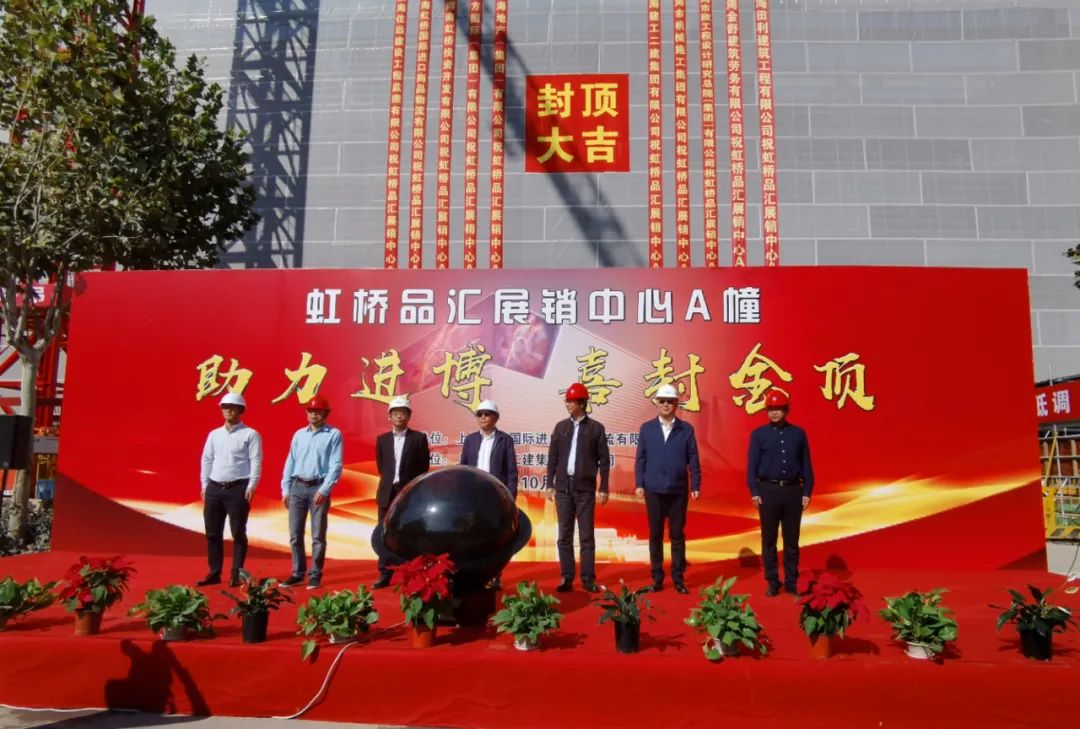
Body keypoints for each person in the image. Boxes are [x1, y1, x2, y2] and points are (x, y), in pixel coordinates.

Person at [634, 383, 701, 594]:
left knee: (677, 535)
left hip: (678, 490)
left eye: (670, 401)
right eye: (662, 401)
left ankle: (678, 578)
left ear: (676, 404)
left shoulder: (686, 429)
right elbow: (640, 458)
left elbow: (693, 458)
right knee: (655, 535)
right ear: (656, 403)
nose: (666, 405)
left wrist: (696, 484)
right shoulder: (647, 429)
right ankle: (657, 578)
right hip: (653, 490)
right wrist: (639, 483)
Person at [747, 390, 814, 597]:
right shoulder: (759, 435)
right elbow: (751, 467)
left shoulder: (798, 434)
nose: (774, 413)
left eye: (778, 409)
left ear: (786, 410)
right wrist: (754, 491)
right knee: (769, 540)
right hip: (768, 491)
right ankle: (773, 581)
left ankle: (792, 581)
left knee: (791, 540)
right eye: (771, 409)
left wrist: (807, 490)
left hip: (793, 491)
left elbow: (806, 464)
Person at [546, 382, 610, 593]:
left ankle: (588, 578)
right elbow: (553, 458)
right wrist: (549, 483)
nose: (567, 404)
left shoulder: (596, 429)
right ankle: (567, 577)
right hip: (563, 489)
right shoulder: (560, 427)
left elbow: (604, 461)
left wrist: (604, 487)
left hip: (585, 490)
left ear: (582, 403)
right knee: (564, 535)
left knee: (586, 535)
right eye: (566, 401)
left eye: (571, 401)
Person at [198, 392, 262, 588]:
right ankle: (214, 572)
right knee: (212, 532)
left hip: (238, 488)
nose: (227, 411)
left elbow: (256, 461)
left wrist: (252, 485)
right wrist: (204, 485)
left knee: (238, 532)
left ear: (240, 410)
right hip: (214, 487)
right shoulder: (214, 434)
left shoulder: (250, 434)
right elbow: (207, 460)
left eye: (232, 407)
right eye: (224, 407)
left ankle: (237, 573)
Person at [280, 396, 343, 590]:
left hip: (318, 487)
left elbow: (335, 465)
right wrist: (286, 488)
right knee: (295, 534)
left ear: (325, 413)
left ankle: (315, 574)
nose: (313, 414)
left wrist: (325, 489)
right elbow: (290, 461)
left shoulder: (334, 434)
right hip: (297, 486)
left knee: (318, 536)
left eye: (318, 411)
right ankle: (297, 573)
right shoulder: (299, 434)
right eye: (310, 411)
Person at [372, 395, 431, 589]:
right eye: (395, 413)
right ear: (389, 416)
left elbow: (423, 467)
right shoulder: (382, 440)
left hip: (409, 494)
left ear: (409, 416)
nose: (399, 416)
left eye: (403, 413)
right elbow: (381, 467)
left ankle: (412, 573)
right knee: (384, 532)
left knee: (411, 532)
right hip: (387, 492)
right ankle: (385, 572)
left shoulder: (418, 438)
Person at [460, 399, 518, 590]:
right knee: (472, 536)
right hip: (473, 496)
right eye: (480, 414)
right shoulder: (470, 440)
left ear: (495, 418)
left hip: (495, 496)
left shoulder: (505, 440)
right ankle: (474, 575)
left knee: (494, 538)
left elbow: (511, 472)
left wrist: (510, 497)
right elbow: (463, 468)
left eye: (487, 414)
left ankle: (495, 575)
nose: (483, 417)